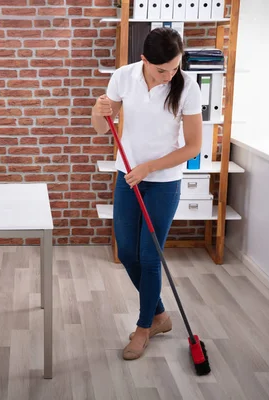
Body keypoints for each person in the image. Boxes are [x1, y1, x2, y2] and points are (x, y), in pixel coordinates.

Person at [91, 27, 203, 360]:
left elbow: (194, 146)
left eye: (175, 67)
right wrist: (99, 111)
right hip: (127, 176)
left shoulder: (188, 87)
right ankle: (161, 316)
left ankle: (143, 328)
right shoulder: (123, 77)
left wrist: (150, 168)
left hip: (163, 181)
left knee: (150, 257)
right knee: (127, 252)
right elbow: (101, 128)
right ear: (143, 61)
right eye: (161, 70)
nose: (170, 75)